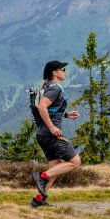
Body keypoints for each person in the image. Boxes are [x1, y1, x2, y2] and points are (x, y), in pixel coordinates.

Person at [31, 59, 81, 208]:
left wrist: (66, 115)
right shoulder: (56, 88)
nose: (64, 71)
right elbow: (42, 107)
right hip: (51, 134)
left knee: (55, 168)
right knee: (75, 162)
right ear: (55, 72)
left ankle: (38, 200)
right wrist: (52, 127)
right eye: (62, 69)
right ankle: (41, 177)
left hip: (43, 134)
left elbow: (50, 109)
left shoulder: (48, 87)